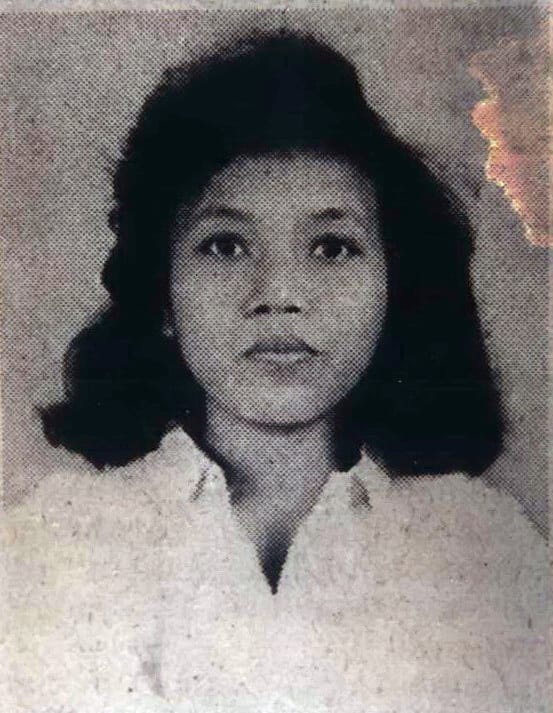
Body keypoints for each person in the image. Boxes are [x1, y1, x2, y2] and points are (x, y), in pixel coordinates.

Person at [1, 31, 547, 713]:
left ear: (392, 288)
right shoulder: (54, 543)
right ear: (160, 293)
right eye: (225, 245)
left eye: (331, 247)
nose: (279, 293)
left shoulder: (484, 549)